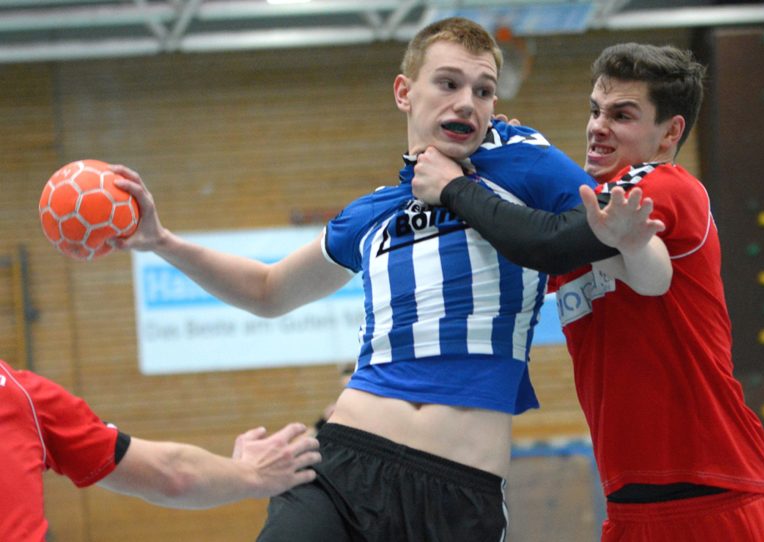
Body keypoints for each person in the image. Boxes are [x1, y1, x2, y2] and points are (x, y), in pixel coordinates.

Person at [109, 17, 659, 542]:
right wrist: (164, 243)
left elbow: (614, 237)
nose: (466, 101)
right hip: (344, 462)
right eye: (448, 82)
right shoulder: (373, 211)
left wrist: (635, 240)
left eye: (483, 90)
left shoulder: (521, 165)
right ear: (405, 92)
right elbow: (267, 290)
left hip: (457, 489)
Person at [411, 43, 764, 541]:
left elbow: (569, 249)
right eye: (595, 110)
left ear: (670, 133)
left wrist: (455, 186)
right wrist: (494, 147)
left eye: (622, 115)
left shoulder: (665, 186)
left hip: (718, 499)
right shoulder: (586, 223)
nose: (598, 127)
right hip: (627, 511)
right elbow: (525, 236)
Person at [0, 358, 320, 541]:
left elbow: (171, 473)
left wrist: (248, 473)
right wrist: (249, 474)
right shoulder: (17, 393)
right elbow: (171, 476)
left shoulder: (24, 396)